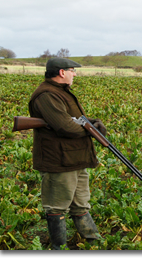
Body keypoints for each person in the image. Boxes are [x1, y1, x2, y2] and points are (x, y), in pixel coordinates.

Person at [28, 58, 106, 250]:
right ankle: (59, 249)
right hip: (59, 160)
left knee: (81, 204)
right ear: (62, 72)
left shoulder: (61, 93)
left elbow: (74, 120)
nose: (75, 74)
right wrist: (90, 130)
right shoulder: (46, 95)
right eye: (72, 70)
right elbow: (66, 127)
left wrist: (91, 122)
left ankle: (94, 244)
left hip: (74, 159)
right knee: (57, 207)